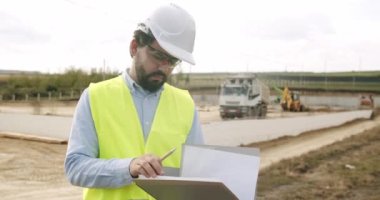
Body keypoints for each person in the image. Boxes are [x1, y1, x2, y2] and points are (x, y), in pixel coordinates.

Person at [64, 3, 204, 200]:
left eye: (172, 61)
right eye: (158, 56)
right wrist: (128, 167)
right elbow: (75, 168)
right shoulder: (95, 97)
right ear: (134, 47)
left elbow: (197, 175)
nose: (164, 67)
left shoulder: (185, 104)